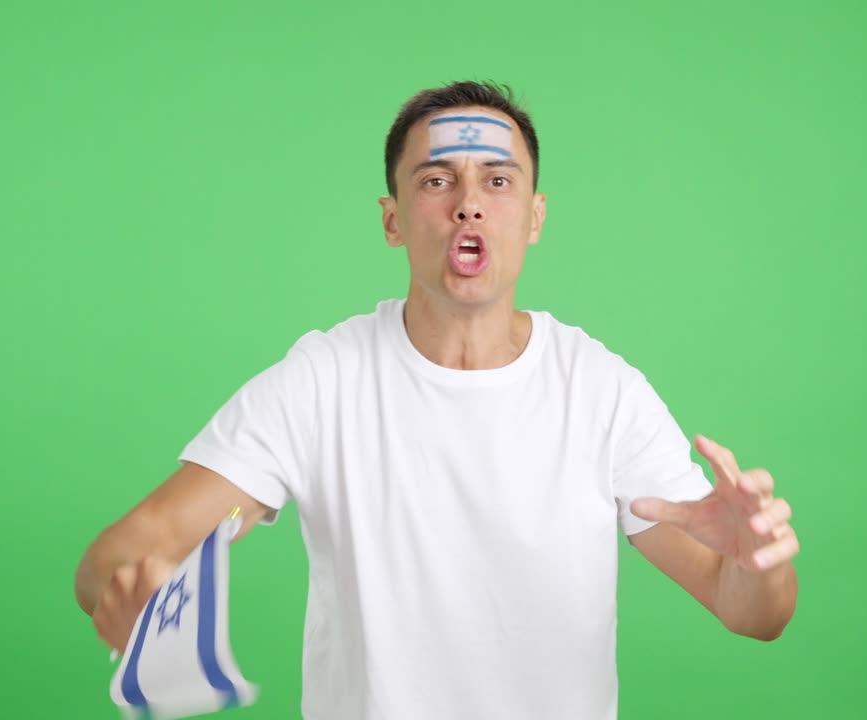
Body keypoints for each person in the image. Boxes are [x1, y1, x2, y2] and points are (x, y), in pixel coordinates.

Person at [74, 80, 799, 719]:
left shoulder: (600, 390)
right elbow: (122, 552)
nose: (468, 206)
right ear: (393, 219)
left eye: (497, 181)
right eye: (435, 181)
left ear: (536, 216)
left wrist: (755, 562)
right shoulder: (323, 381)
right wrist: (131, 591)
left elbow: (751, 614)